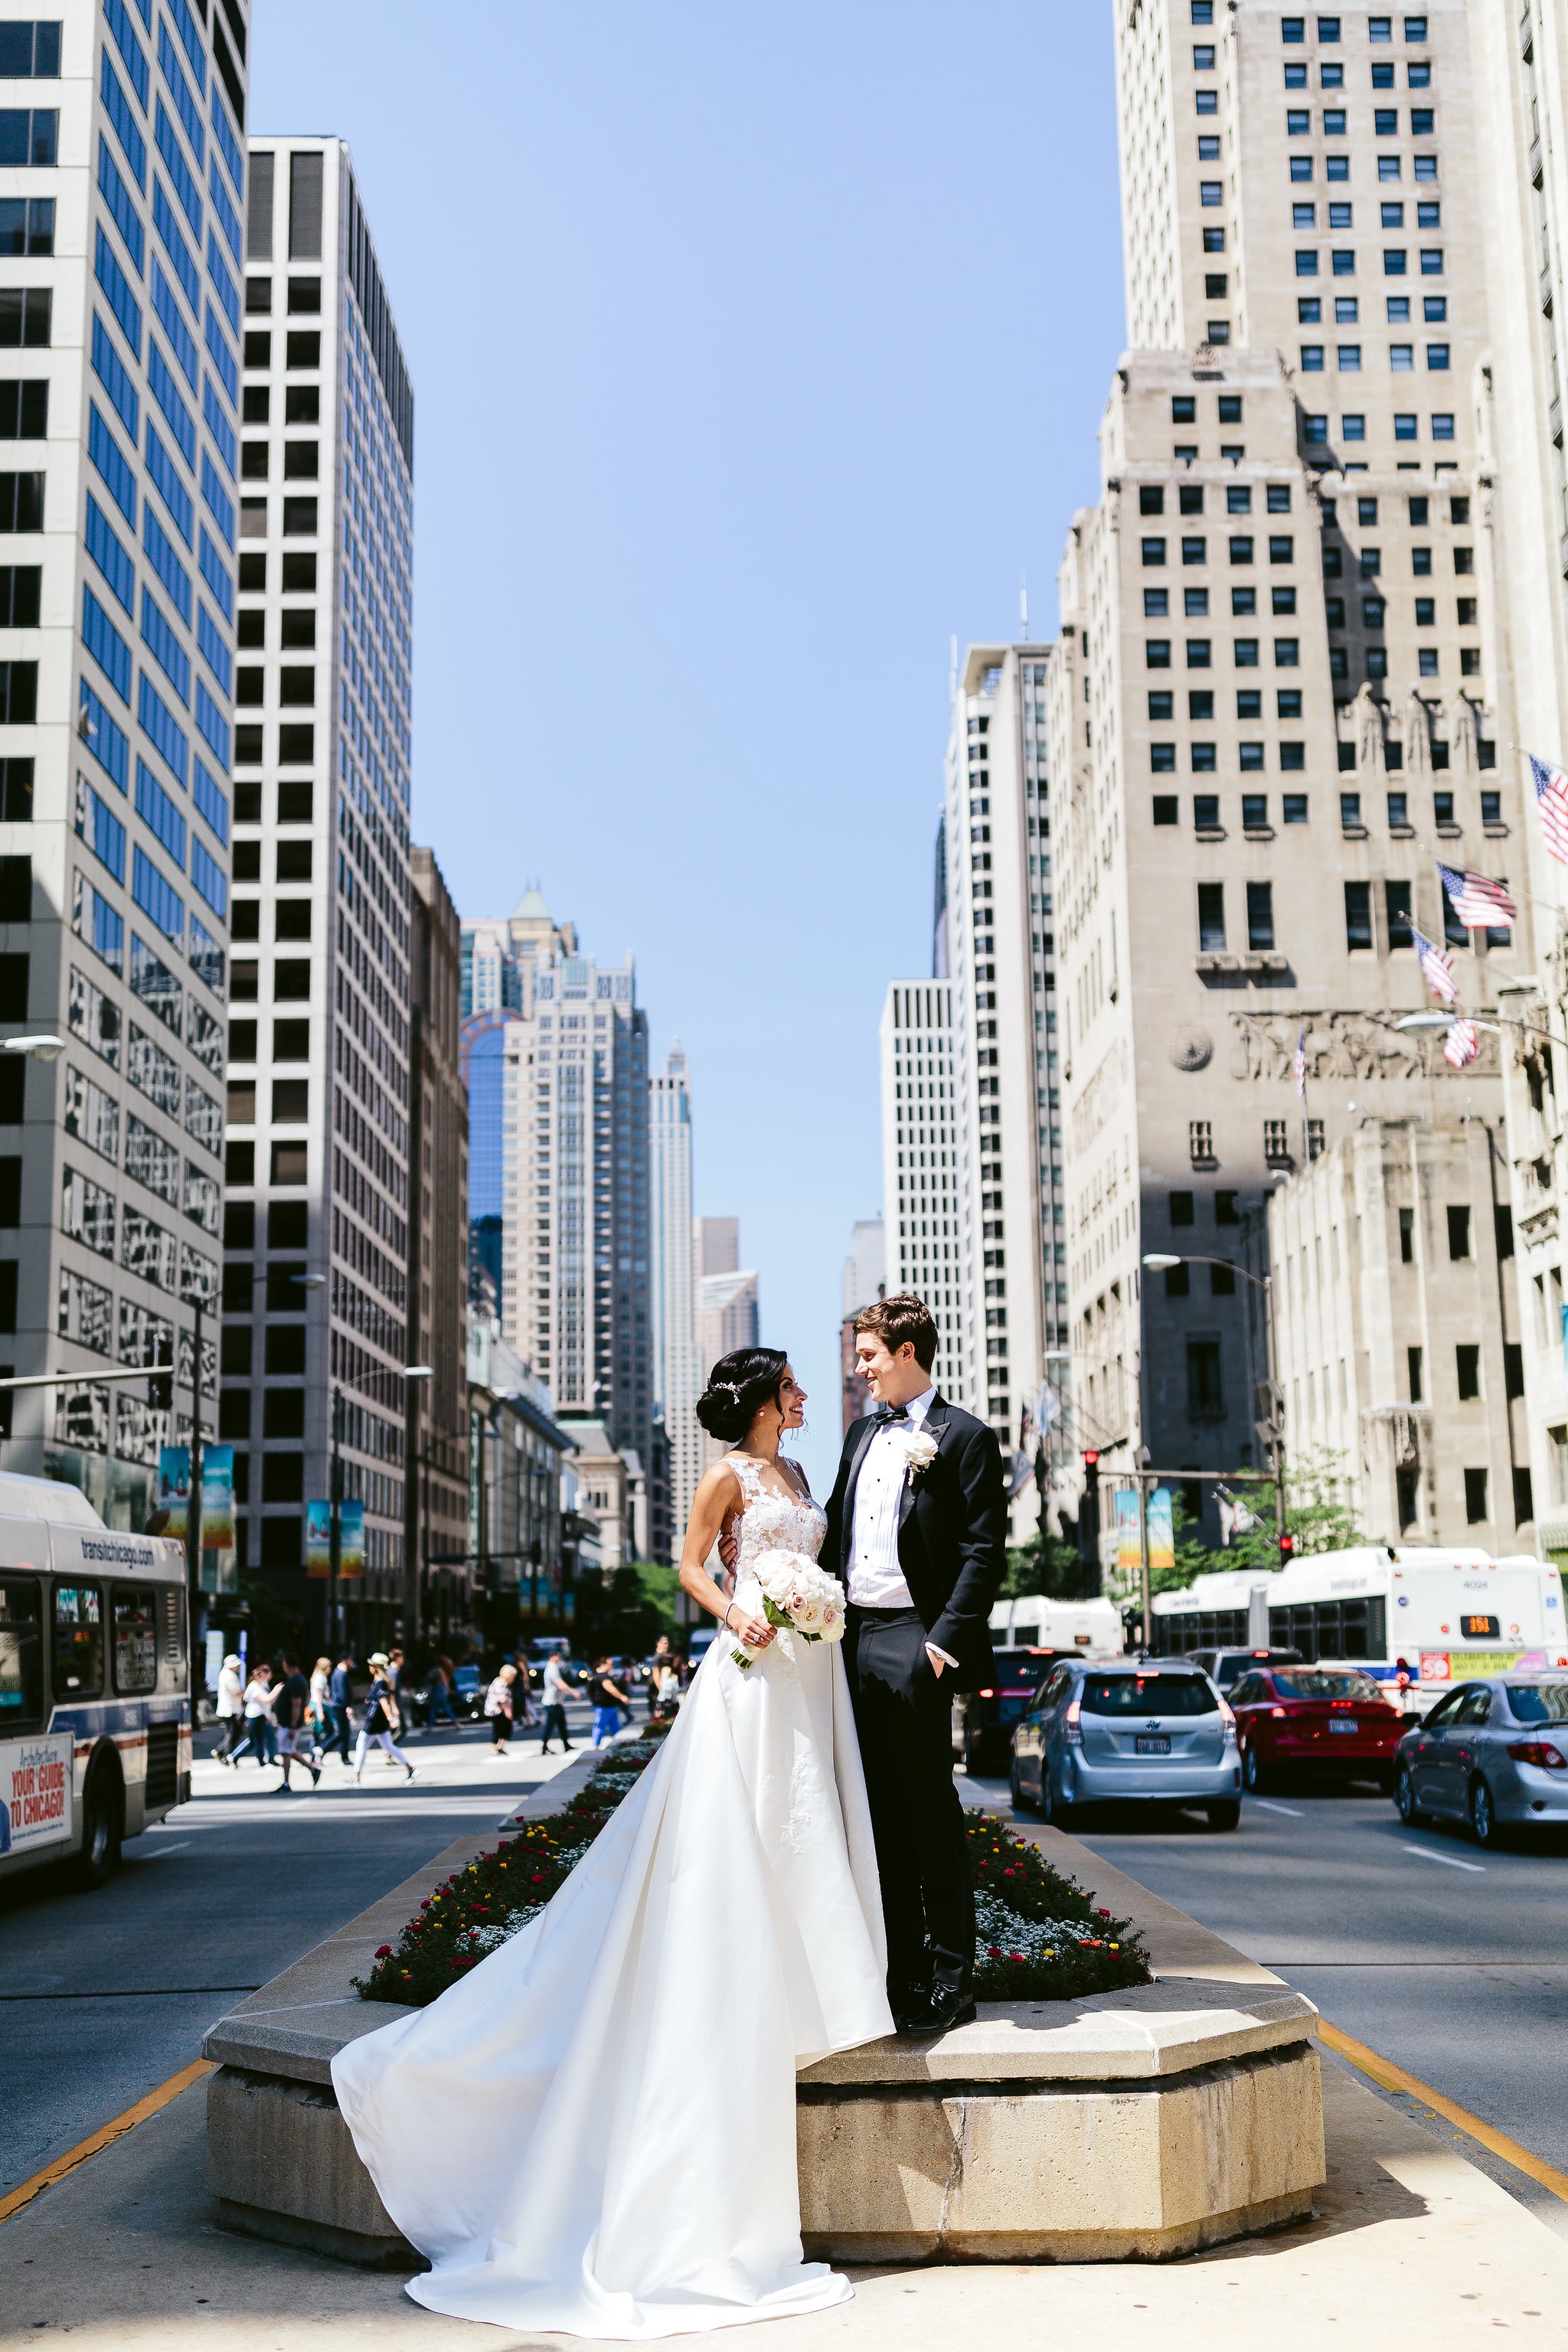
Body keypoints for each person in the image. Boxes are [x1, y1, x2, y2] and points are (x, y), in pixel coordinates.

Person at [333, 1343, 890, 2337]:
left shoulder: (803, 1475)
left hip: (813, 1682)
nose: (805, 1396)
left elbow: (812, 1555)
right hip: (754, 1669)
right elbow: (688, 1565)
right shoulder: (726, 1474)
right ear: (762, 1400)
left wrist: (816, 1607)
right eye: (793, 1386)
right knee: (739, 1836)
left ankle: (811, 1975)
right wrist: (744, 1613)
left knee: (808, 1824)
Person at [820, 1293, 1005, 2037]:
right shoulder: (863, 1433)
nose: (859, 1368)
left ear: (904, 1352)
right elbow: (835, 1531)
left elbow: (982, 1551)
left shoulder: (963, 1437)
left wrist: (940, 1643)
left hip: (912, 1640)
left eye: (867, 1355)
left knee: (928, 1816)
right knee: (880, 1824)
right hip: (851, 1639)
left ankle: (953, 1982)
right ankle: (900, 1979)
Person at [352, 1651, 416, 1782]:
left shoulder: (380, 1683)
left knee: (361, 1746)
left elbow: (383, 1701)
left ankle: (356, 1778)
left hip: (374, 1720)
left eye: (371, 1665)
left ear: (376, 1668)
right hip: (378, 1720)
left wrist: (391, 1718)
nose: (369, 1668)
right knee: (389, 1746)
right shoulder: (378, 1682)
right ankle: (411, 1769)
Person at [273, 1651, 322, 1791]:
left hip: (289, 1723)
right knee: (288, 1751)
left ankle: (287, 1783)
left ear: (285, 1664)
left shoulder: (295, 1681)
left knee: (286, 1753)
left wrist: (293, 1727)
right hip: (288, 1723)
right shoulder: (296, 1679)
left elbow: (297, 1704)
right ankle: (313, 1770)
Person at [230, 1661, 277, 1766]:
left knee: (258, 1740)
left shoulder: (262, 1684)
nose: (269, 1675)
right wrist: (277, 1690)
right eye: (266, 1673)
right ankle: (262, 1761)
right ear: (261, 1675)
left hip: (262, 1716)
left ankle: (235, 1756)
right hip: (255, 1716)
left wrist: (268, 1716)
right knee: (257, 1740)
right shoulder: (254, 1686)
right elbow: (266, 1700)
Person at [585, 1657, 629, 1748]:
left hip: (607, 1705)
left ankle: (618, 1744)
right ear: (604, 1664)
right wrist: (621, 1696)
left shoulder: (595, 1675)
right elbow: (609, 1687)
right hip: (604, 1706)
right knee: (600, 1725)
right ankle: (596, 1746)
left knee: (614, 1726)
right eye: (610, 1664)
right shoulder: (603, 1676)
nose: (612, 1666)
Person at [537, 1648, 572, 1754]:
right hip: (551, 1702)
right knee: (549, 1725)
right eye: (558, 1656)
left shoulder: (554, 1667)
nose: (560, 1658)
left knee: (562, 1724)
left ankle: (566, 1744)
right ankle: (544, 1747)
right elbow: (560, 1684)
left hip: (557, 1702)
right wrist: (573, 1692)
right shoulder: (552, 1668)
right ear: (551, 1657)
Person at [214, 1653, 246, 1764]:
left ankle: (220, 1751)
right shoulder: (229, 1675)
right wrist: (247, 1696)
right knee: (232, 1733)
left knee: (233, 1732)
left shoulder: (224, 1673)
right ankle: (226, 1755)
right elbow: (237, 1692)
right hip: (229, 1709)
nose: (238, 1667)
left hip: (228, 1708)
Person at [326, 1649, 354, 1765]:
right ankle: (323, 1748)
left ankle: (344, 1757)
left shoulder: (338, 1673)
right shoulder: (341, 1673)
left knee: (344, 1732)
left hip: (338, 1705)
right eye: (349, 1660)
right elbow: (342, 1692)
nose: (351, 1662)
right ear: (344, 1660)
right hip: (340, 1706)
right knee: (343, 1732)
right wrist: (347, 1706)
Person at [484, 1661, 516, 1755]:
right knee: (499, 1729)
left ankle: (500, 1747)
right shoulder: (500, 1682)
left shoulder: (503, 1683)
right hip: (496, 1710)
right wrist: (507, 1711)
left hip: (501, 1710)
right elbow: (501, 1699)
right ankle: (495, 1748)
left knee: (506, 1728)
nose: (513, 1679)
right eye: (512, 1676)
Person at [646, 1634, 679, 1720]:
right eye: (663, 1643)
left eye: (667, 1643)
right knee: (658, 1715)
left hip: (664, 1688)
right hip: (657, 1688)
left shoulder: (666, 1656)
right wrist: (661, 1689)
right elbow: (655, 1674)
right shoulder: (657, 1657)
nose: (666, 1645)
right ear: (658, 1644)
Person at [424, 1655, 459, 1736]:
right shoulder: (446, 1670)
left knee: (433, 1708)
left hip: (439, 1689)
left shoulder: (440, 1669)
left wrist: (448, 1689)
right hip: (443, 1690)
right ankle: (456, 1723)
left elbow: (444, 1681)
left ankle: (430, 1727)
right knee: (446, 1708)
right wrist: (449, 1690)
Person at [308, 1655, 332, 1761]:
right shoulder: (319, 1678)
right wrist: (320, 1712)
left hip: (320, 1706)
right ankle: (317, 1753)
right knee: (325, 1731)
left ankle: (315, 1755)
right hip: (319, 1706)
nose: (330, 1668)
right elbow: (318, 1696)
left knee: (317, 1733)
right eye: (329, 1666)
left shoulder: (320, 1677)